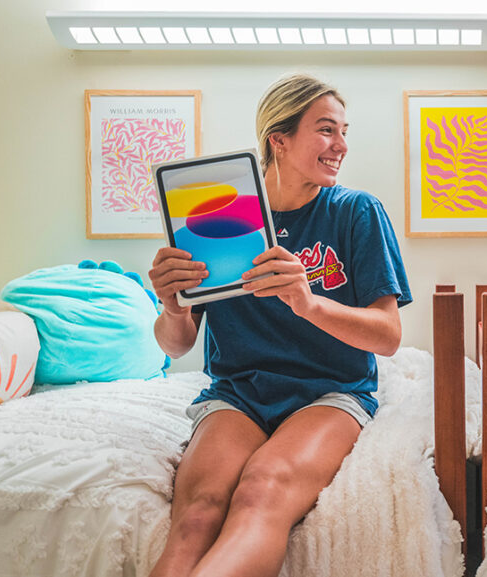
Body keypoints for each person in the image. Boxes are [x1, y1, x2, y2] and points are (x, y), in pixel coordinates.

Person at [147, 74, 411, 577]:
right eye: (327, 130)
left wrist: (308, 303)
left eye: (343, 131)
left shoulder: (357, 212)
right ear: (280, 140)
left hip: (330, 391)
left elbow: (388, 335)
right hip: (238, 393)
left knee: (260, 490)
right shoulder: (219, 215)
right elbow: (177, 345)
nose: (341, 146)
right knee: (198, 513)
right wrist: (173, 307)